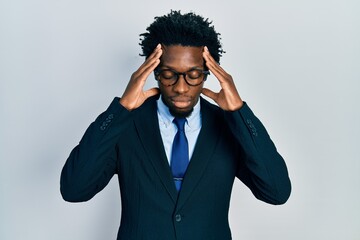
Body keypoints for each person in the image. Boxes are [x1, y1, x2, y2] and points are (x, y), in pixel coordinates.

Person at [60, 10, 291, 240]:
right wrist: (121, 110)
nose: (181, 88)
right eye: (169, 74)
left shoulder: (230, 127)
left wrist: (239, 112)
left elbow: (277, 192)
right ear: (154, 73)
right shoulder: (127, 125)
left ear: (208, 74)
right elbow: (74, 189)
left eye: (193, 75)